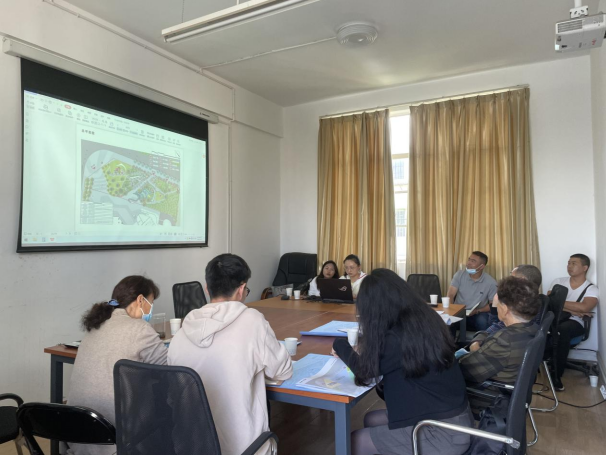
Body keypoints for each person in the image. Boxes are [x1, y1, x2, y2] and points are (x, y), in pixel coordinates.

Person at [332, 269, 472, 455]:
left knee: (355, 441)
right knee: (371, 420)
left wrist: (339, 344)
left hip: (442, 432)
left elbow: (364, 372)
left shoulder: (396, 337)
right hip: (454, 418)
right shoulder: (424, 318)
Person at [168, 254, 293, 455]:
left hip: (192, 447)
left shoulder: (181, 332)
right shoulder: (253, 321)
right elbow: (283, 371)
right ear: (241, 289)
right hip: (245, 449)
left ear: (207, 288)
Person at [67, 276, 167, 455]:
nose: (150, 309)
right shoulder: (140, 329)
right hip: (115, 436)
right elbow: (169, 370)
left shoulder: (95, 325)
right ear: (140, 300)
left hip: (76, 431)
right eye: (150, 303)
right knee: (168, 408)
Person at [459, 276, 540, 394]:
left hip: (488, 397)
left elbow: (465, 370)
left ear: (505, 309)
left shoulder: (504, 341)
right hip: (510, 391)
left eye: (498, 304)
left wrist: (474, 349)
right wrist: (477, 342)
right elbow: (488, 333)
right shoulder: (533, 328)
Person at [548, 254, 599, 391]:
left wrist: (560, 303)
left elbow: (585, 308)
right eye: (568, 263)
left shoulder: (591, 288)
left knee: (562, 330)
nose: (569, 266)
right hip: (556, 319)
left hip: (576, 323)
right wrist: (573, 310)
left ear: (585, 268)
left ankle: (556, 375)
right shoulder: (559, 282)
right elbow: (549, 303)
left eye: (574, 263)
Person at [468, 264, 543, 351]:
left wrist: (495, 307)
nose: (509, 282)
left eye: (512, 278)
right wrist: (479, 338)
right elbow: (498, 325)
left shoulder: (525, 308)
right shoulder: (529, 302)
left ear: (522, 281)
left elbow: (497, 330)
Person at [447, 251, 497, 331]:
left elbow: (492, 305)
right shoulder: (459, 275)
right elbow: (451, 294)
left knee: (483, 321)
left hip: (477, 313)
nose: (468, 263)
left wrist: (477, 311)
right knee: (447, 322)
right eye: (469, 259)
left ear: (481, 266)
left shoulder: (491, 282)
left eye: (473, 261)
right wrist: (451, 309)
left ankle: (480, 339)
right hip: (458, 311)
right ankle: (451, 340)